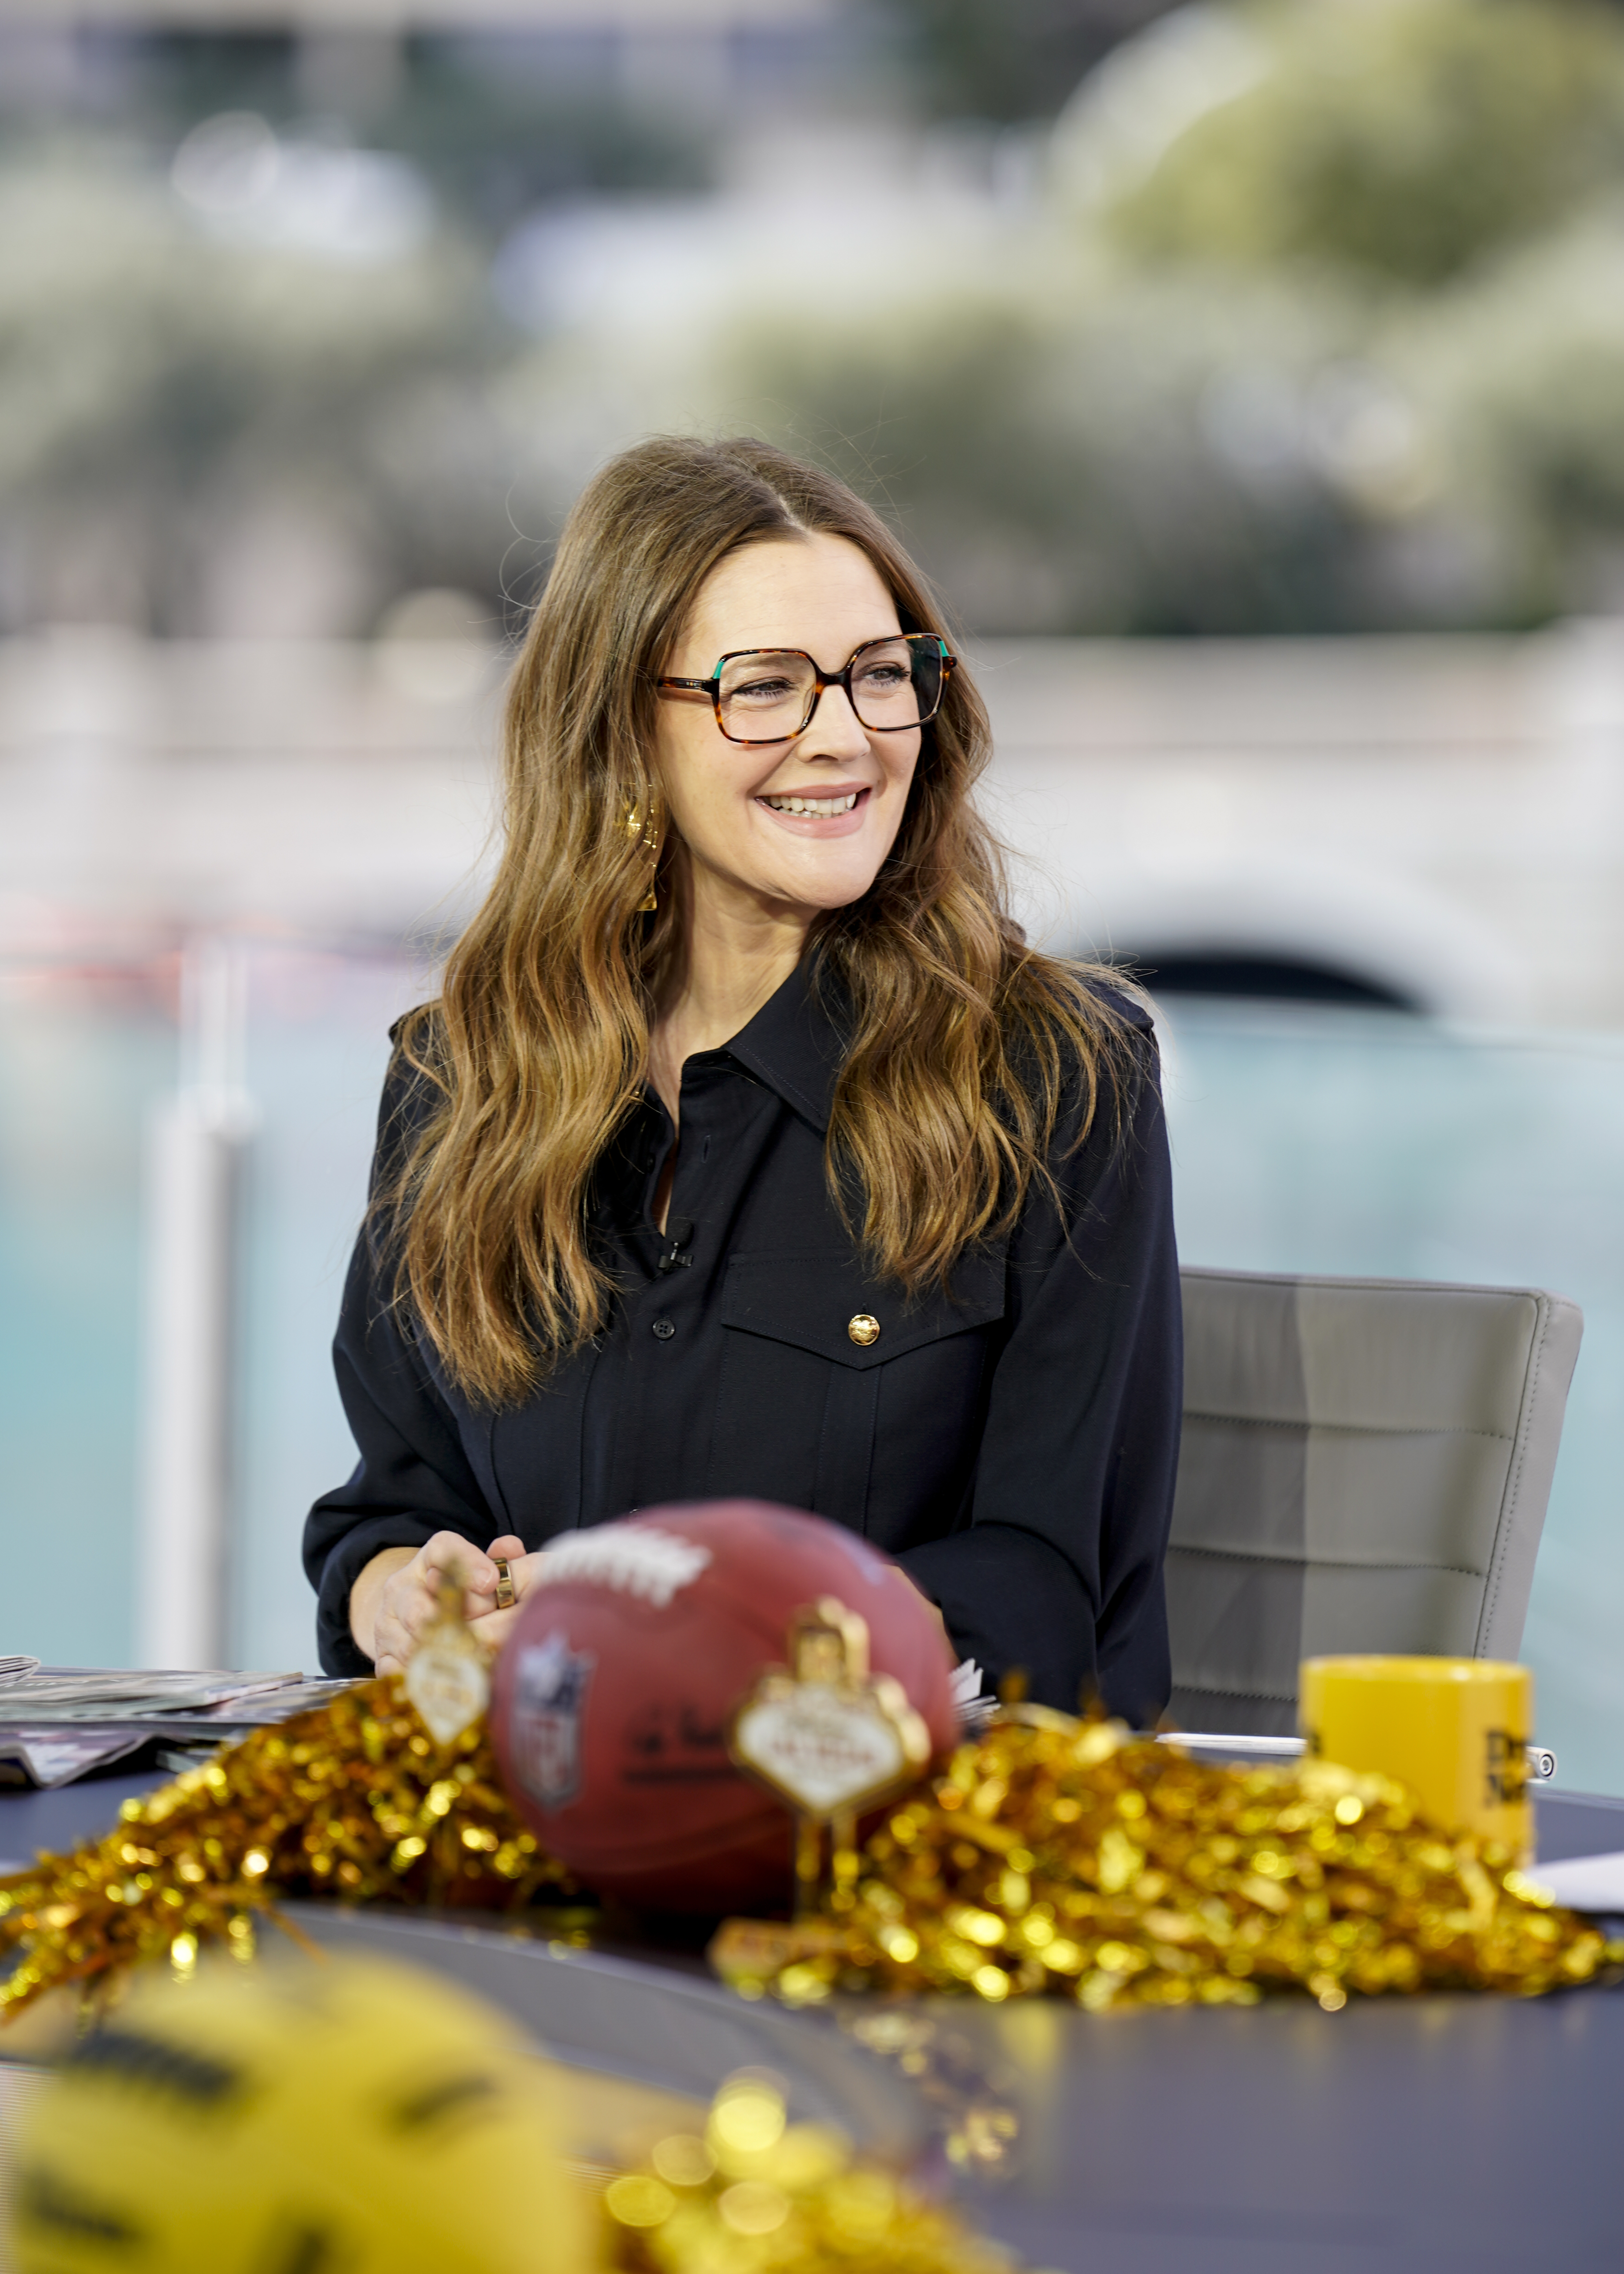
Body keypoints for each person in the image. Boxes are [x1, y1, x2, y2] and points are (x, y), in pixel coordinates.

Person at [304, 436, 1182, 1721]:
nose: (845, 737)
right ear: (620, 733)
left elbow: (1052, 1591)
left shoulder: (1059, 1074)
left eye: (880, 675)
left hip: (901, 1812)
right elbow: (391, 1508)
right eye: (764, 687)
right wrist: (403, 1597)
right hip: (517, 1797)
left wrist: (708, 1632)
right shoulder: (458, 1078)